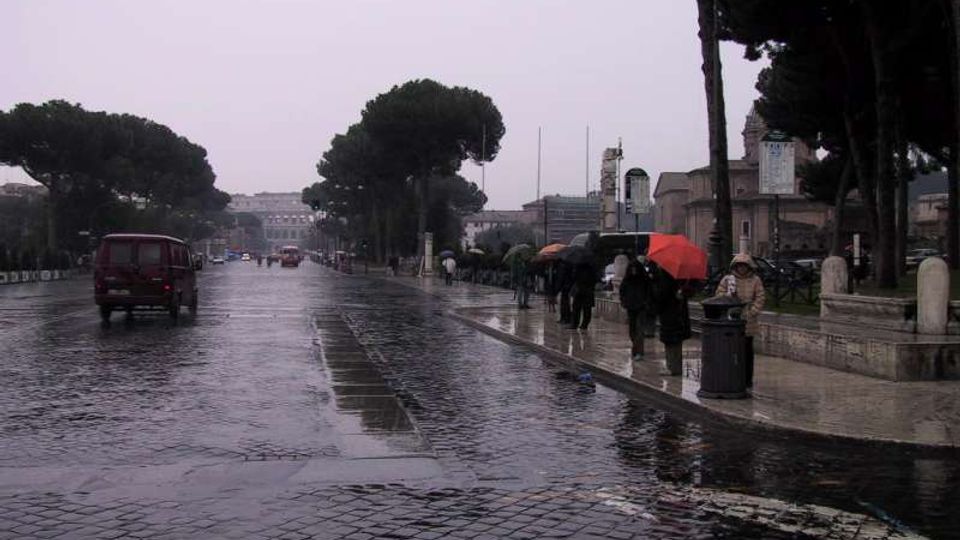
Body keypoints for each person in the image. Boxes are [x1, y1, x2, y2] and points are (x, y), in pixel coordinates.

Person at [715, 253, 766, 387]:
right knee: (731, 350)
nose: (742, 269)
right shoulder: (728, 279)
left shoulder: (755, 280)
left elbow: (760, 297)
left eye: (744, 266)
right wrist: (727, 296)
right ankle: (732, 376)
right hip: (732, 318)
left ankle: (747, 379)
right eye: (739, 266)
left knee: (747, 351)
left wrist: (752, 311)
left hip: (748, 320)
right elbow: (718, 294)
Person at [654, 264, 694, 376]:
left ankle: (671, 367)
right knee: (676, 340)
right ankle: (675, 367)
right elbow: (690, 291)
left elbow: (662, 294)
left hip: (670, 312)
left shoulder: (666, 273)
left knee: (670, 340)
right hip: (679, 312)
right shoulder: (683, 273)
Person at [619, 260, 653, 360]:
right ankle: (636, 348)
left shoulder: (644, 280)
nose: (634, 270)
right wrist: (624, 302)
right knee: (632, 330)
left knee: (640, 329)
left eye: (635, 268)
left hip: (641, 307)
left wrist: (646, 302)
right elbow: (622, 292)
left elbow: (649, 292)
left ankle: (639, 352)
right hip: (630, 306)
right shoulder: (627, 280)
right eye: (632, 268)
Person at [569, 263, 598, 330]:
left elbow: (573, 278)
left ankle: (575, 324)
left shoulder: (578, 268)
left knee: (577, 308)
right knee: (586, 309)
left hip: (580, 291)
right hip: (588, 291)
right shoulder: (592, 269)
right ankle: (584, 325)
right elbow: (595, 279)